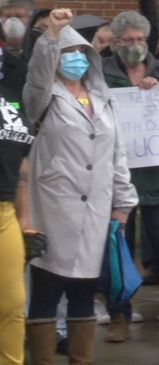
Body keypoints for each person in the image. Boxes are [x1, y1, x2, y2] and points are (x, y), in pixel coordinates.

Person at [23, 8, 138, 364]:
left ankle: (80, 359)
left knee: (84, 292)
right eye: (66, 54)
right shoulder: (44, 96)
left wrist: (123, 201)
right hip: (53, 205)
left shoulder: (104, 99)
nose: (74, 60)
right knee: (46, 287)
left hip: (97, 208)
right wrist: (52, 36)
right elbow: (39, 74)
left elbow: (118, 153)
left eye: (80, 54)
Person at [101, 10, 159, 346]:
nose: (135, 44)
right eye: (128, 39)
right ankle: (118, 316)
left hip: (158, 175)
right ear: (115, 42)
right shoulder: (101, 75)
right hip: (116, 178)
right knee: (117, 249)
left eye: (141, 39)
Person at [0, 50, 34, 365]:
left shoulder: (11, 99)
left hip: (6, 212)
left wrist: (25, 220)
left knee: (12, 303)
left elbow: (23, 166)